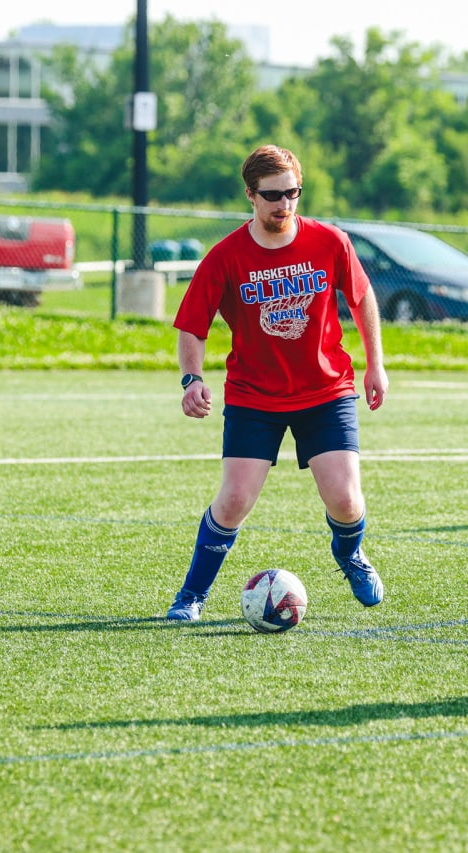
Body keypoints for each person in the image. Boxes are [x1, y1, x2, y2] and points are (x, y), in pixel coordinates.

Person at [165, 144, 389, 621]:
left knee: (347, 500)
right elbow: (191, 325)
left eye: (292, 193)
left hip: (326, 391)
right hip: (254, 396)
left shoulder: (330, 242)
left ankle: (349, 554)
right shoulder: (226, 256)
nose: (284, 205)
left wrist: (376, 364)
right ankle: (191, 595)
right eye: (272, 196)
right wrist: (191, 379)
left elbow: (363, 297)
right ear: (250, 195)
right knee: (234, 500)